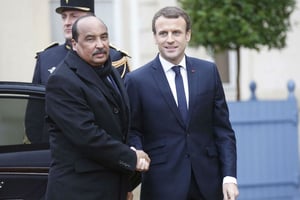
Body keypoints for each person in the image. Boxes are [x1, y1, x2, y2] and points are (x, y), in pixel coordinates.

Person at [124, 6, 239, 200]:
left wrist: (229, 177)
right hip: (161, 184)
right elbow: (132, 129)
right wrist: (137, 150)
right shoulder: (136, 80)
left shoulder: (208, 72)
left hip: (208, 183)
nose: (170, 39)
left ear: (188, 35)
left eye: (176, 32)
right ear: (155, 37)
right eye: (163, 33)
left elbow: (223, 131)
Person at [45, 15, 150, 200]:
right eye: (90, 38)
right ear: (74, 43)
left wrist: (125, 184)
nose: (100, 44)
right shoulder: (62, 80)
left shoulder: (110, 70)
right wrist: (132, 158)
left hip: (112, 187)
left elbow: (120, 127)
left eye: (104, 37)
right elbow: (87, 136)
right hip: (79, 191)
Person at [25, 0, 130, 143]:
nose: (67, 22)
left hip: (104, 147)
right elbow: (35, 117)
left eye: (74, 16)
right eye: (64, 17)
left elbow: (124, 112)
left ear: (91, 17)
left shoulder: (112, 57)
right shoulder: (46, 58)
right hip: (55, 151)